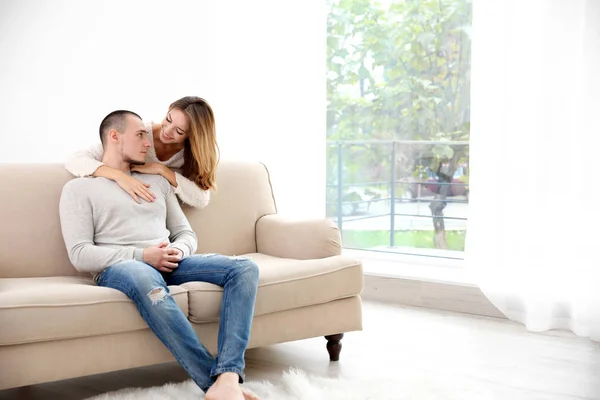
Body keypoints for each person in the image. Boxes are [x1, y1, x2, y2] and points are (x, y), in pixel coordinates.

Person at [59, 110, 259, 400]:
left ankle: (228, 375)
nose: (148, 143)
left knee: (244, 268)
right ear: (114, 137)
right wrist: (142, 255)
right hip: (126, 267)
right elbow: (80, 254)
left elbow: (186, 234)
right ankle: (213, 385)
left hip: (168, 261)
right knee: (146, 280)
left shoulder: (158, 181)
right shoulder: (78, 188)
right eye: (140, 135)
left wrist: (177, 251)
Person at [65, 96, 217, 209]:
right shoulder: (139, 133)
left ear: (192, 135)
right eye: (168, 119)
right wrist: (120, 176)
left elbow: (201, 199)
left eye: (179, 131)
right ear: (168, 109)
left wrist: (161, 170)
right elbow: (75, 160)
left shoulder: (192, 154)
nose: (167, 131)